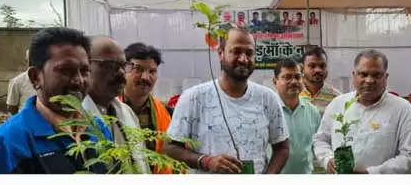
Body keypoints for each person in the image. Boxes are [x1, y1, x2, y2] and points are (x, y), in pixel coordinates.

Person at [0, 27, 106, 174]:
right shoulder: (6, 144)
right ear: (35, 77)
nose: (79, 81)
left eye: (84, 71)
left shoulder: (99, 130)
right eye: (65, 70)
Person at [164, 26, 289, 173]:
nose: (243, 59)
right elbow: (170, 147)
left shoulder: (267, 98)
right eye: (236, 51)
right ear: (220, 53)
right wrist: (205, 161)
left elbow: (282, 148)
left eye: (249, 53)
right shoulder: (193, 98)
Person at [313, 50, 411, 173]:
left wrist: (371, 173)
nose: (369, 80)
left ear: (386, 77)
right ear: (354, 75)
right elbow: (321, 140)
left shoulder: (403, 109)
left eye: (376, 75)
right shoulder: (338, 104)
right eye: (363, 74)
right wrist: (327, 160)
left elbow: (409, 156)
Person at [82, 36, 150, 173]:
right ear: (85, 66)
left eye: (124, 66)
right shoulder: (74, 118)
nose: (120, 73)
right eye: (110, 65)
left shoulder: (127, 113)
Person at [119, 42, 172, 170]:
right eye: (138, 69)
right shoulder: (108, 109)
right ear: (124, 69)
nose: (145, 77)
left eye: (152, 71)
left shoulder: (167, 114)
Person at [272, 57, 321, 173]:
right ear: (275, 81)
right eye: (287, 77)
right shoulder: (267, 110)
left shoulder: (312, 111)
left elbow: (318, 145)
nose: (294, 81)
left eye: (297, 77)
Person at [299, 45, 341, 114]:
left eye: (322, 66)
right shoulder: (294, 94)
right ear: (302, 69)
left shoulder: (336, 98)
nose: (318, 70)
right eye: (312, 66)